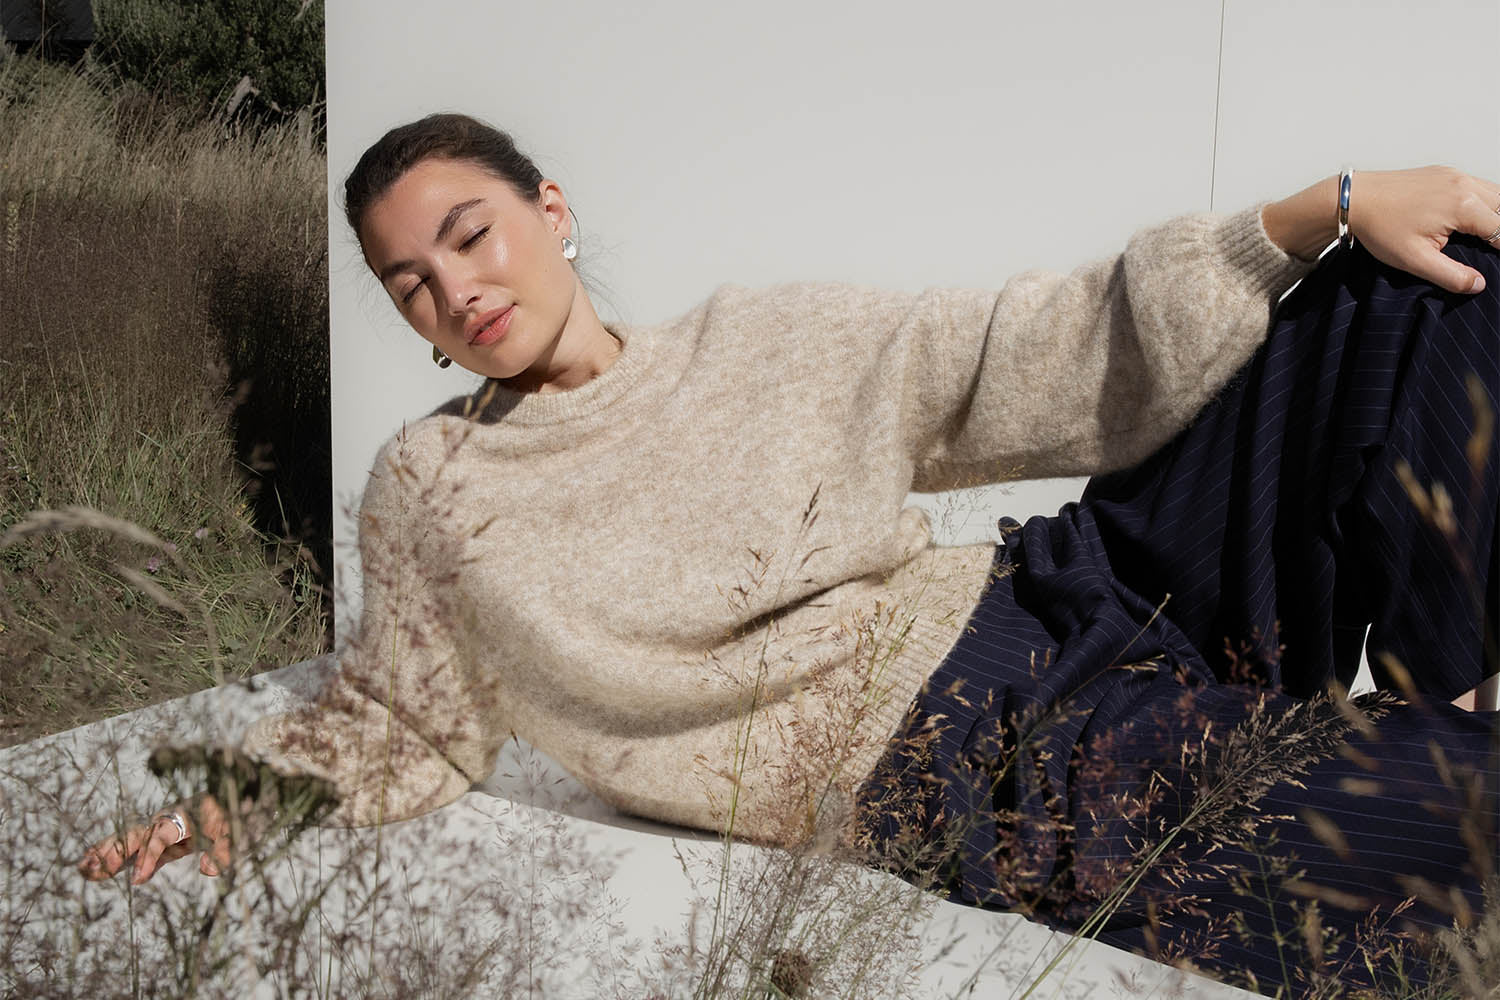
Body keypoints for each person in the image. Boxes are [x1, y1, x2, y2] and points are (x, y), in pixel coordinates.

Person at [80, 113, 1500, 994]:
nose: (459, 287)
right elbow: (395, 716)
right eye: (415, 282)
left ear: (550, 211)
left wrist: (1325, 198)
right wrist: (241, 795)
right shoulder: (437, 486)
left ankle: (1440, 687)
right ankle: (1407, 754)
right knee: (1468, 828)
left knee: (1410, 281)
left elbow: (1042, 347)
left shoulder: (764, 339)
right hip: (976, 759)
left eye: (473, 234)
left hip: (1083, 583)